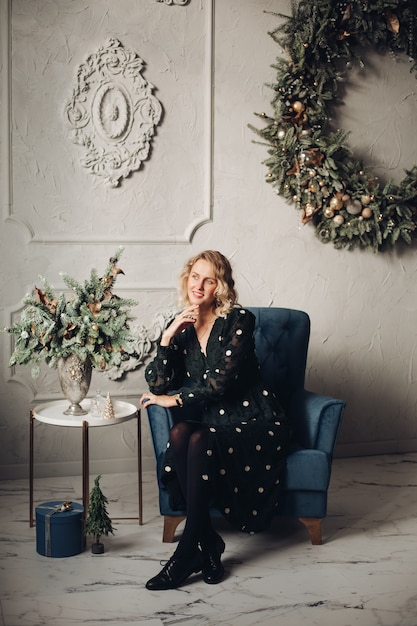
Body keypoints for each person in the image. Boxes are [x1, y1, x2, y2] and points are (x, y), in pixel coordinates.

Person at [140, 250, 289, 591]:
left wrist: (175, 399)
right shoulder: (181, 327)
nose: (200, 285)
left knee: (198, 438)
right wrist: (167, 337)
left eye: (209, 279)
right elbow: (157, 383)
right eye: (195, 276)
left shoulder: (239, 319)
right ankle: (208, 544)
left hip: (256, 420)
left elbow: (220, 384)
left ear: (219, 286)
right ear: (187, 279)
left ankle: (186, 552)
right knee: (180, 432)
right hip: (213, 422)